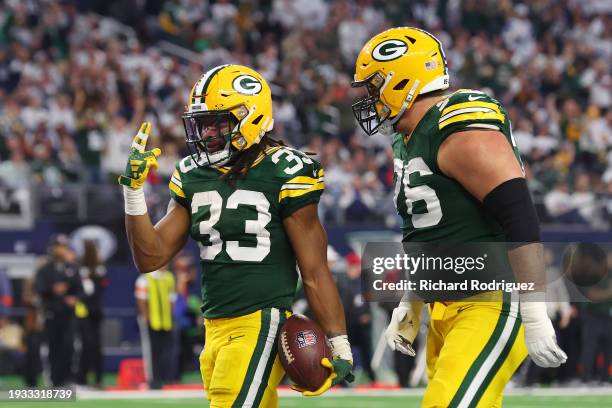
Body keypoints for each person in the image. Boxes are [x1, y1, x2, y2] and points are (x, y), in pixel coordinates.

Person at [351, 27, 566, 407]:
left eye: (374, 86)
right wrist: (411, 304)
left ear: (404, 79)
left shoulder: (458, 125)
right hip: (445, 309)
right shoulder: (409, 136)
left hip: (490, 301)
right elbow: (428, 233)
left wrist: (533, 311)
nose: (370, 98)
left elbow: (519, 215)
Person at [118, 64, 354, 406]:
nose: (207, 134)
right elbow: (150, 256)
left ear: (251, 117)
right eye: (202, 124)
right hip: (214, 327)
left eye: (218, 122)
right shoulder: (192, 174)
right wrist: (133, 191)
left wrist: (339, 340)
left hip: (261, 322)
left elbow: (314, 268)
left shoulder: (285, 170)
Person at [34, 234, 82, 387]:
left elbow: (80, 290)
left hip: (68, 314)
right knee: (53, 347)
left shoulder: (73, 268)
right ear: (53, 248)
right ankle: (54, 380)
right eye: (59, 247)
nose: (61, 250)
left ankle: (67, 379)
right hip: (51, 314)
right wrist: (53, 289)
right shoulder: (45, 270)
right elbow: (40, 289)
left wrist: (74, 298)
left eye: (64, 247)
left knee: (69, 346)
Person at [134, 266, 176, 389]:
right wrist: (146, 317)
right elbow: (141, 299)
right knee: (152, 351)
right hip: (151, 321)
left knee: (165, 351)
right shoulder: (144, 278)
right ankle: (153, 380)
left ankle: (165, 378)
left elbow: (171, 298)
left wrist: (171, 316)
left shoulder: (169, 277)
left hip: (166, 321)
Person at [76, 239, 108, 387]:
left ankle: (97, 378)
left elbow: (102, 286)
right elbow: (84, 291)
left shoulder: (100, 268)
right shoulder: (81, 266)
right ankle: (83, 377)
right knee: (88, 344)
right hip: (84, 312)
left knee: (95, 345)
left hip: (95, 311)